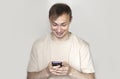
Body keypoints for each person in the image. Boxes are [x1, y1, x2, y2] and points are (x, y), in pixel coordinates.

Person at [27, 3, 95, 79]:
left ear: (70, 20)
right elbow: (30, 77)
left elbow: (91, 78)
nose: (59, 30)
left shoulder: (82, 46)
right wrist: (46, 72)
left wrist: (70, 71)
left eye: (63, 25)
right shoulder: (38, 45)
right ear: (49, 20)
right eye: (55, 24)